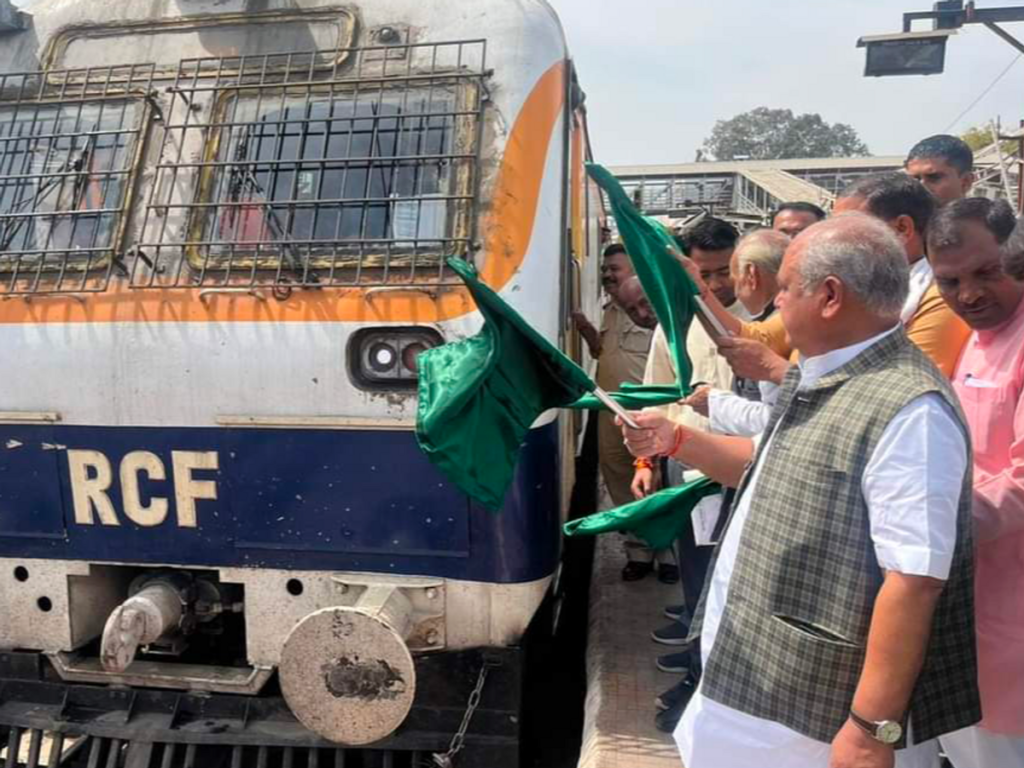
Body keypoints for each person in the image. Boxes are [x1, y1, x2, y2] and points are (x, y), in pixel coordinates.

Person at [622, 213, 980, 768]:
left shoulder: (910, 410)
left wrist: (868, 733)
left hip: (813, 713)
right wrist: (674, 441)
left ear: (830, 296)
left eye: (785, 287)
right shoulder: (824, 375)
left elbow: (914, 581)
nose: (775, 303)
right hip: (757, 684)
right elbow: (767, 466)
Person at [696, 173, 970, 384]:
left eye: (850, 226)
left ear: (902, 228)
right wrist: (692, 287)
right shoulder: (840, 282)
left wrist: (778, 372)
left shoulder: (939, 298)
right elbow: (757, 339)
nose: (835, 236)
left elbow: (901, 391)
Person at [926, 199, 1024, 768]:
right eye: (950, 281)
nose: (968, 295)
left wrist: (935, 519)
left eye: (987, 273)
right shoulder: (970, 339)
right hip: (970, 600)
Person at [574, 245, 656, 536]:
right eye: (605, 269)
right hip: (612, 412)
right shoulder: (609, 309)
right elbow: (601, 352)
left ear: (633, 271)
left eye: (614, 269)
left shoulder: (651, 308)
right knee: (619, 476)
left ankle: (665, 553)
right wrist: (585, 330)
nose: (607, 274)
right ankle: (638, 549)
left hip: (647, 413)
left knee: (654, 479)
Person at [688, 229, 789, 437]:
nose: (733, 291)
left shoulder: (789, 322)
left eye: (731, 276)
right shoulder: (788, 318)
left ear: (751, 274)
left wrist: (716, 405)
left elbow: (780, 421)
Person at [905, 134, 975, 205]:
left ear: (965, 182)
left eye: (934, 178)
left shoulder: (982, 215)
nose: (921, 188)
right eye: (914, 180)